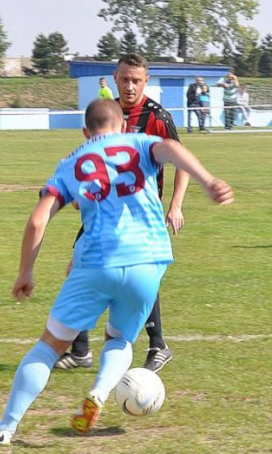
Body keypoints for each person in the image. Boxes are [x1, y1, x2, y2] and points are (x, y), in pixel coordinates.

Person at [0, 99, 234, 445]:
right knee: (120, 338)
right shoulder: (140, 142)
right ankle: (99, 392)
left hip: (97, 262)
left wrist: (26, 271)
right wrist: (207, 180)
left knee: (50, 347)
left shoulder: (70, 162)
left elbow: (38, 220)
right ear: (123, 126)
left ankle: (4, 429)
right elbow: (173, 147)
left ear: (86, 132)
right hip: (150, 260)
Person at [56, 53, 189, 372]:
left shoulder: (157, 116)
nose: (130, 86)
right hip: (104, 209)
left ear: (146, 82)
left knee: (141, 270)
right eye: (125, 79)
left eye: (137, 80)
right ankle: (81, 350)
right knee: (79, 266)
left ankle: (157, 345)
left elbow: (181, 159)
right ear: (114, 78)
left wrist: (175, 205)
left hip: (142, 212)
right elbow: (91, 159)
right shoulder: (106, 115)